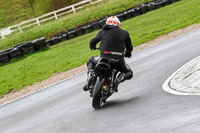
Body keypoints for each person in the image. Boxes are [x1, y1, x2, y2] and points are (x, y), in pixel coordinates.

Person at [83, 16, 133, 93]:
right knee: (129, 72)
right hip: (118, 60)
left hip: (104, 57)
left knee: (91, 60)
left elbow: (92, 42)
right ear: (118, 23)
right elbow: (129, 47)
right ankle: (117, 80)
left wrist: (92, 46)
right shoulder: (125, 33)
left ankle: (91, 74)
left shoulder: (102, 31)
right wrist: (128, 53)